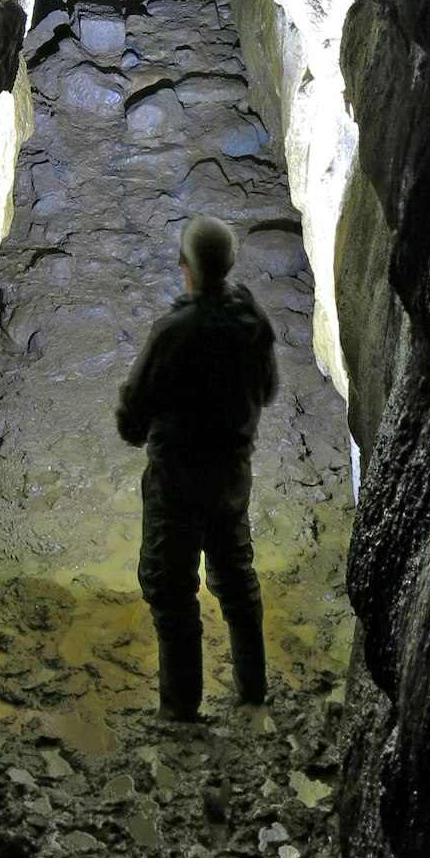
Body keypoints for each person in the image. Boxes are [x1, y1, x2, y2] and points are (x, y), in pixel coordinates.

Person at [115, 214, 277, 721]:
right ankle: (252, 692)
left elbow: (130, 416)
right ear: (228, 266)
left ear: (184, 267)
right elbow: (268, 391)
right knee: (237, 580)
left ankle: (181, 708)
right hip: (231, 479)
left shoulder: (172, 332)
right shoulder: (251, 321)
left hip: (177, 486)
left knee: (172, 590)